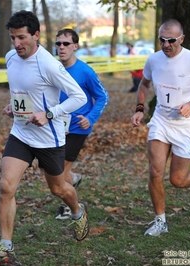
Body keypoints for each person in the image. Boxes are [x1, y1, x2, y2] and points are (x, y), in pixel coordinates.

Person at [0, 10, 89, 265]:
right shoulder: (10, 57)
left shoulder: (49, 64)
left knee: (59, 188)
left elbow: (79, 97)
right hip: (20, 134)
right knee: (6, 186)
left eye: (21, 38)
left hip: (49, 139)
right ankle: (5, 247)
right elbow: (21, 90)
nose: (16, 44)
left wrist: (50, 113)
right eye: (12, 38)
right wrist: (13, 105)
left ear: (36, 35)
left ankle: (77, 210)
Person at [130, 19, 190, 237]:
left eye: (171, 40)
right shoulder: (154, 60)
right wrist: (140, 108)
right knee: (155, 170)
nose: (166, 45)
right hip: (161, 120)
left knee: (177, 180)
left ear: (182, 39)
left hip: (185, 125)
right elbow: (144, 84)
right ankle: (160, 221)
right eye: (162, 40)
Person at [54, 28, 109, 220]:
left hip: (78, 127)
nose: (61, 47)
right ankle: (74, 180)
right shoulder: (53, 68)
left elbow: (102, 97)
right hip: (56, 126)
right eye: (58, 43)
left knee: (60, 170)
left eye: (66, 44)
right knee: (51, 168)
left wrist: (90, 118)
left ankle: (70, 206)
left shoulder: (85, 71)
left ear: (75, 46)